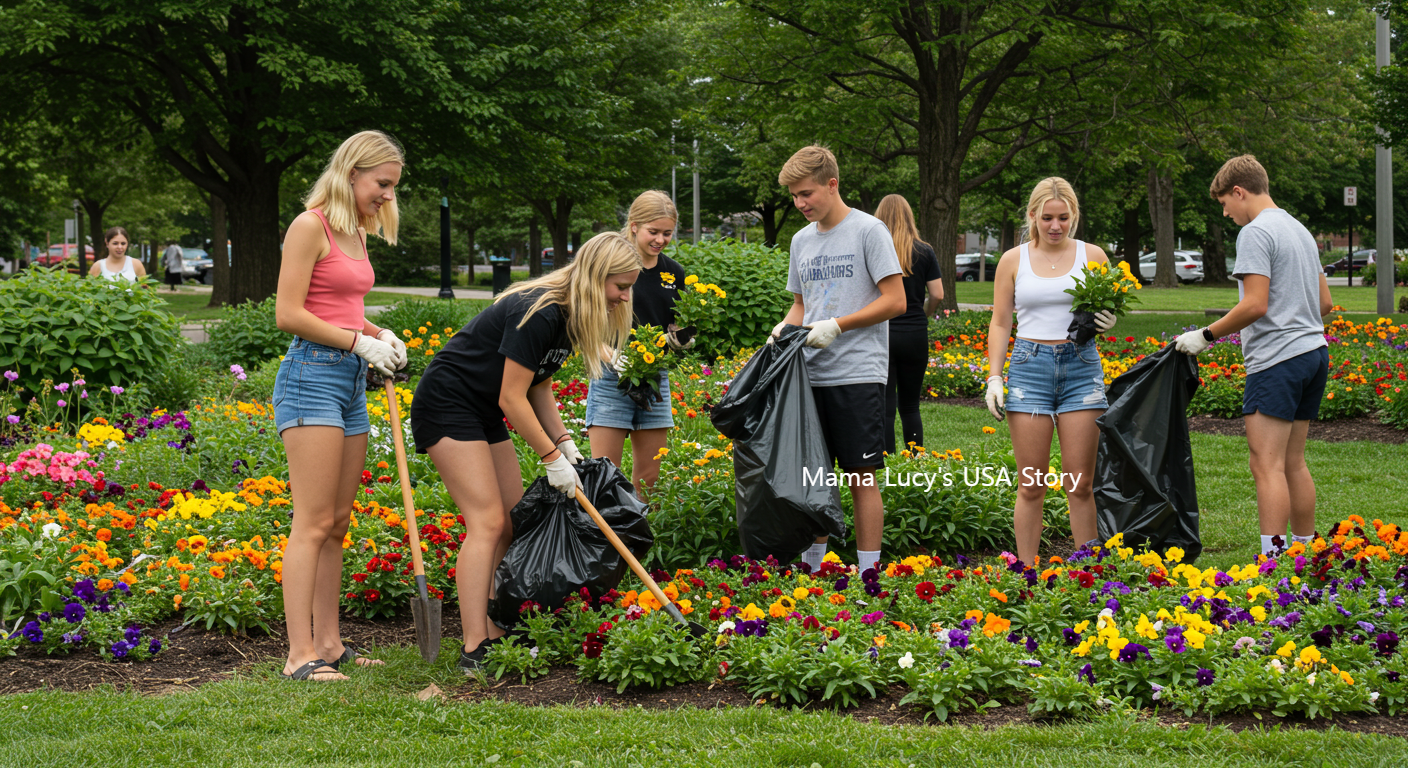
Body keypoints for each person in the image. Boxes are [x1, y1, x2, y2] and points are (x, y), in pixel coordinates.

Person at [410, 231, 641, 672]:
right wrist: (551, 460)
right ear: (595, 278)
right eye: (620, 287)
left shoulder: (573, 314)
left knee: (511, 522)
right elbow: (511, 397)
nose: (624, 297)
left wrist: (563, 442)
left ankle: (496, 627)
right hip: (448, 402)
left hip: (482, 409)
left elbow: (539, 383)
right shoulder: (539, 309)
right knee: (487, 521)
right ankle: (475, 645)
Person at [272, 130, 408, 682]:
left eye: (393, 187)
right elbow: (287, 313)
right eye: (382, 184)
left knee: (337, 522)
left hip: (351, 381)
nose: (388, 197)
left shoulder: (356, 230)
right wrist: (358, 342)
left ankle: (328, 643)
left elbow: (342, 306)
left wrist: (381, 332)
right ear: (352, 172)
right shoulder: (311, 226)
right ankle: (298, 654)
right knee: (311, 521)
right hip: (311, 376)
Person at [1174, 155, 1332, 556]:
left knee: (1266, 465)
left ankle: (1274, 561)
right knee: (1293, 461)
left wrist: (1204, 335)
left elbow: (1255, 305)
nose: (1226, 213)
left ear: (1239, 192)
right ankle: (1305, 552)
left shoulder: (1256, 233)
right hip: (1313, 354)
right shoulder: (1298, 229)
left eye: (1225, 203)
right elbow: (1325, 302)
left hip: (1277, 360)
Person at [768, 145, 906, 573]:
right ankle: (813, 568)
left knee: (861, 477)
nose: (800, 203)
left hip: (858, 373)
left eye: (806, 193)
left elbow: (896, 300)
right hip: (809, 376)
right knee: (815, 480)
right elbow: (800, 305)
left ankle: (868, 573)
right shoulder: (800, 241)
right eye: (793, 196)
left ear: (832, 184)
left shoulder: (869, 231)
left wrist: (839, 325)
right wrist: (783, 328)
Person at [983, 177, 1118, 567]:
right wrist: (995, 375)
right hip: (1029, 368)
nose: (1055, 226)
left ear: (1074, 216)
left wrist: (1107, 321)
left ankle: (1086, 573)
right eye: (1047, 218)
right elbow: (1001, 321)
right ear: (1032, 216)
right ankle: (1025, 571)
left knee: (1081, 484)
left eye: (1063, 217)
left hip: (1081, 367)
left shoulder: (1093, 256)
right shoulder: (1013, 259)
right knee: (1031, 485)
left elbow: (1105, 308)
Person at [585, 190, 690, 495]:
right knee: (605, 477)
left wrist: (680, 338)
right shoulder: (609, 265)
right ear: (633, 225)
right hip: (611, 376)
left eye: (667, 233)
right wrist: (613, 357)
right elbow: (586, 324)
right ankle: (604, 542)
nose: (660, 239)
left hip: (654, 377)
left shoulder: (674, 272)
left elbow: (674, 321)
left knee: (650, 480)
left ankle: (639, 541)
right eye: (653, 232)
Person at [873, 194, 942, 455]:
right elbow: (937, 294)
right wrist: (924, 314)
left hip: (882, 332)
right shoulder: (924, 251)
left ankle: (887, 461)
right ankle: (915, 459)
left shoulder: (875, 250)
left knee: (886, 406)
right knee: (911, 405)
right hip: (914, 333)